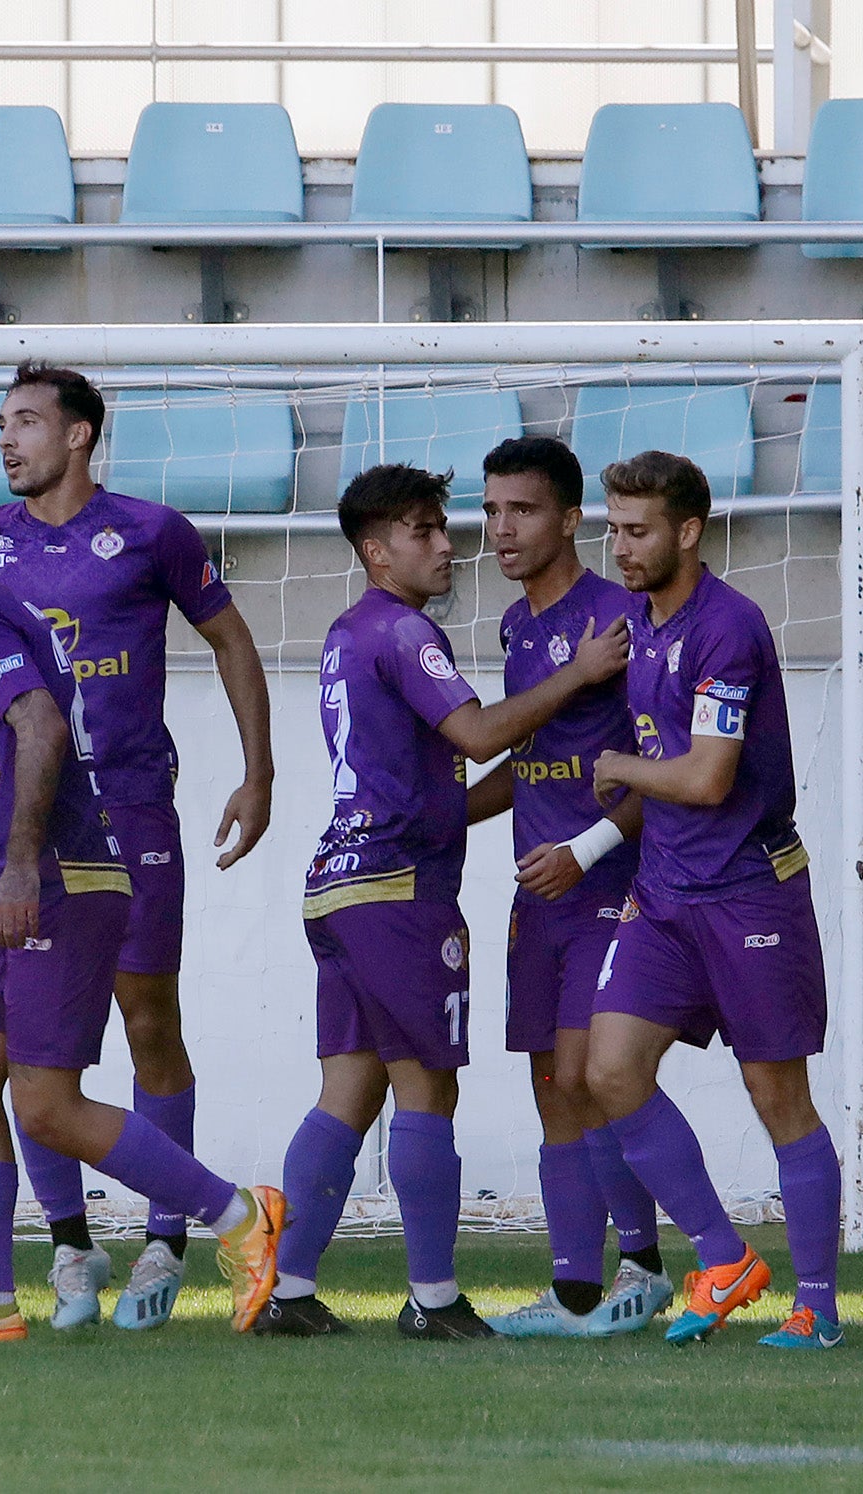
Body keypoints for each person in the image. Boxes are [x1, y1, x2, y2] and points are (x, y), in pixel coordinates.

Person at [0, 364, 273, 1332]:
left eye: (26, 421)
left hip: (72, 848)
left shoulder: (12, 588)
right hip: (23, 850)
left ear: (79, 435)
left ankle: (228, 1217)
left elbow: (40, 724)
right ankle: (6, 1290)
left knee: (60, 1087)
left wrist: (28, 864)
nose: (7, 439)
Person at [254, 463, 630, 1340]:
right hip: (399, 889)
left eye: (443, 526)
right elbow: (477, 732)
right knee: (428, 1094)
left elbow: (457, 768)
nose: (448, 542)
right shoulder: (404, 631)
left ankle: (291, 1290)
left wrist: (531, 739)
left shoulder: (348, 633)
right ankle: (434, 1301)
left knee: (345, 1092)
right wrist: (573, 678)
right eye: (424, 530)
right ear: (375, 551)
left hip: (335, 884)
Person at [587, 449, 842, 1350]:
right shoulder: (636, 622)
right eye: (612, 527)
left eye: (637, 530)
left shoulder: (728, 627)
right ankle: (724, 1256)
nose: (619, 546)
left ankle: (817, 1306)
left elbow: (703, 778)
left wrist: (617, 768)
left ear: (687, 532)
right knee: (609, 1070)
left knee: (779, 1097)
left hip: (748, 896)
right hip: (663, 897)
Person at [457, 437, 672, 1340]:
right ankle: (576, 1288)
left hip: (611, 883)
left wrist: (586, 849)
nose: (502, 529)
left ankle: (645, 1268)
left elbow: (654, 766)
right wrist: (448, 814)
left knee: (595, 1076)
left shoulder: (620, 617)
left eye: (525, 510)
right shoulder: (517, 628)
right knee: (553, 1083)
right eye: (493, 510)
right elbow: (538, 757)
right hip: (536, 893)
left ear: (572, 518)